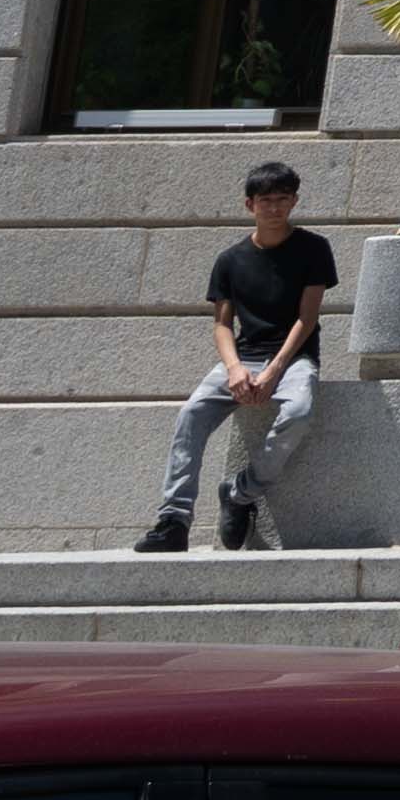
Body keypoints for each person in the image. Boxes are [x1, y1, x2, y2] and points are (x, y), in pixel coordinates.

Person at [141, 161, 338, 554]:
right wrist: (234, 369)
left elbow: (308, 316)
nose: (275, 208)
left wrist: (274, 371)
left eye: (283, 199)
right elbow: (221, 325)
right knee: (191, 415)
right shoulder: (230, 260)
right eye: (266, 200)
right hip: (243, 357)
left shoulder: (314, 248)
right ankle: (173, 519)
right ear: (250, 204)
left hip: (293, 358)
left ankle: (240, 492)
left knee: (298, 411)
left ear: (294, 201)